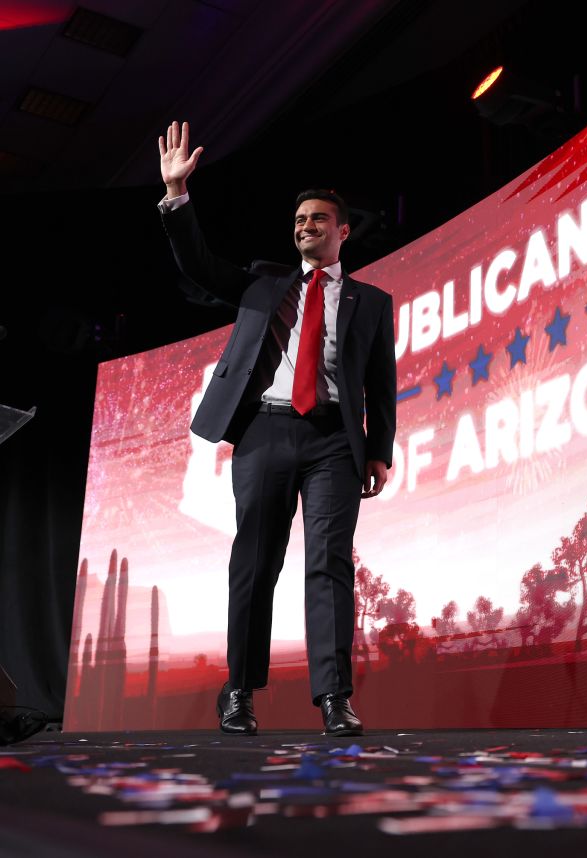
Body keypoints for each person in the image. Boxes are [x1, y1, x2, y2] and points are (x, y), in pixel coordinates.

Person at [156, 121, 396, 736]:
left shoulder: (371, 302)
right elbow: (199, 265)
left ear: (343, 231)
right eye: (299, 221)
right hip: (265, 432)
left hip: (335, 441)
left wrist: (378, 451)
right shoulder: (264, 285)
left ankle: (334, 698)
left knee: (329, 563)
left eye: (318, 219)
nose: (305, 227)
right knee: (256, 562)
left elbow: (381, 382)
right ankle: (239, 691)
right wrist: (178, 197)